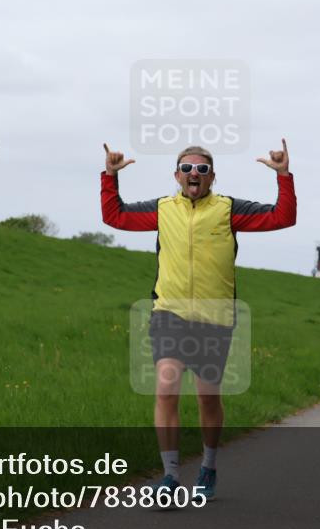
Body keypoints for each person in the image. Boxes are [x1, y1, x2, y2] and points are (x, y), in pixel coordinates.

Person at [101, 141, 296, 501]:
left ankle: (208, 465)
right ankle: (170, 475)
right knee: (166, 385)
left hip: (215, 317)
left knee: (208, 397)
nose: (195, 174)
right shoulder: (162, 209)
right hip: (169, 313)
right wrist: (110, 176)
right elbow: (115, 217)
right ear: (176, 176)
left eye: (202, 169)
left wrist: (283, 175)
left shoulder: (229, 210)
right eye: (187, 168)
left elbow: (282, 217)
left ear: (212, 177)